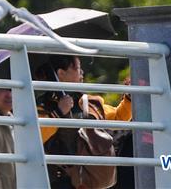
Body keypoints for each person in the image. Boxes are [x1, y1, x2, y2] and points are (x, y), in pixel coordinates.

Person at [36, 55, 132, 189]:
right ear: (61, 74)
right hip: (58, 182)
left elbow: (118, 117)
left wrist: (129, 97)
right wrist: (58, 113)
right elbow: (35, 138)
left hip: (90, 181)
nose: (82, 72)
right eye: (77, 68)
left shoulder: (88, 102)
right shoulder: (42, 108)